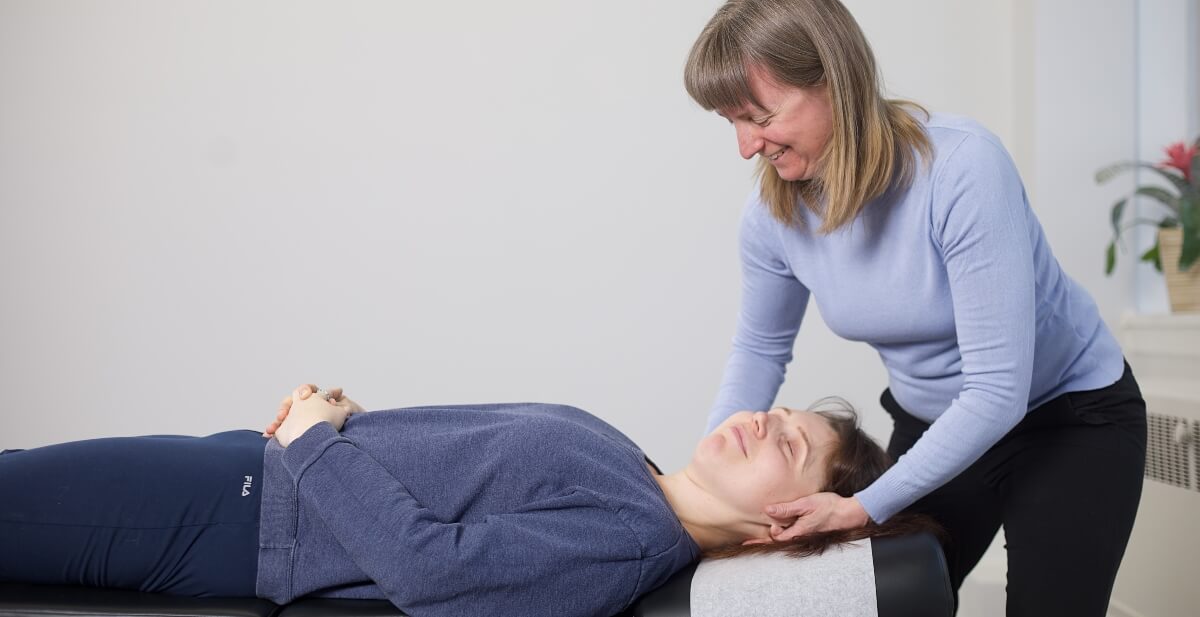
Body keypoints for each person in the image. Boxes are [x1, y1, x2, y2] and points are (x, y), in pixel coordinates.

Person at [684, 0, 1147, 616]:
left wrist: (865, 504)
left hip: (1067, 418)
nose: (745, 147)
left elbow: (996, 390)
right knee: (874, 601)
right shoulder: (772, 217)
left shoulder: (962, 169)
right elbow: (761, 349)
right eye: (732, 122)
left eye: (759, 117)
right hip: (933, 422)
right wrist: (703, 486)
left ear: (834, 83)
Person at [1, 384, 918, 617]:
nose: (763, 420)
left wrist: (317, 442)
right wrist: (347, 420)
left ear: (782, 523)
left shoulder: (630, 541)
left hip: (239, 516)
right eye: (779, 410)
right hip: (248, 477)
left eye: (790, 444)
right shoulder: (628, 469)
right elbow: (451, 473)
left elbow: (428, 570)